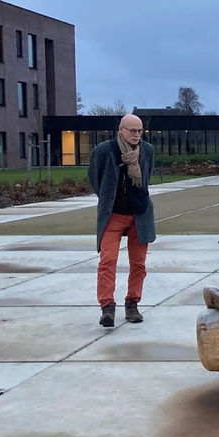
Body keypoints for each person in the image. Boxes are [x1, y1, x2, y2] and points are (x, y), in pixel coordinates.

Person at [87, 113, 156, 327]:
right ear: (121, 130)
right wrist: (108, 198)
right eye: (132, 131)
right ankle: (107, 307)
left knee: (138, 263)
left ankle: (132, 303)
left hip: (139, 214)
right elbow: (95, 178)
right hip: (113, 215)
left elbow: (147, 175)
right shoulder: (104, 151)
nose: (136, 135)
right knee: (107, 261)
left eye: (140, 131)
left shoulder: (147, 150)